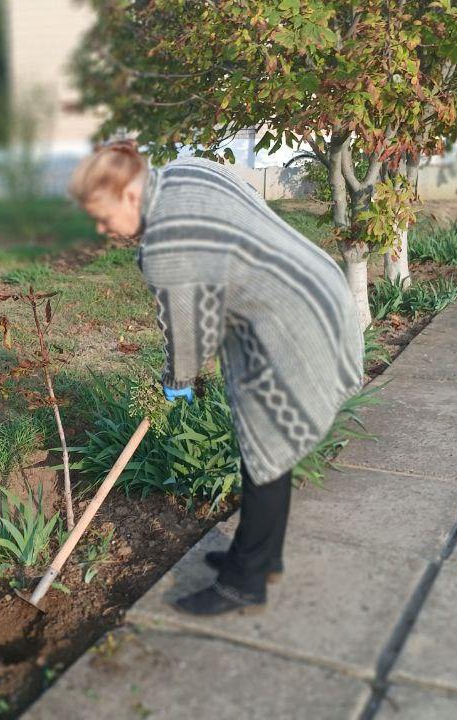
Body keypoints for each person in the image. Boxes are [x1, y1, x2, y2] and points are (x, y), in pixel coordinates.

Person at [69, 142, 363, 616]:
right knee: (268, 446)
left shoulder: (166, 240)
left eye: (102, 218)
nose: (103, 231)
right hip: (315, 285)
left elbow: (188, 335)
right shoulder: (184, 172)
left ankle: (244, 583)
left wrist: (177, 379)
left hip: (287, 321)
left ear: (127, 195)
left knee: (266, 447)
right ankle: (261, 556)